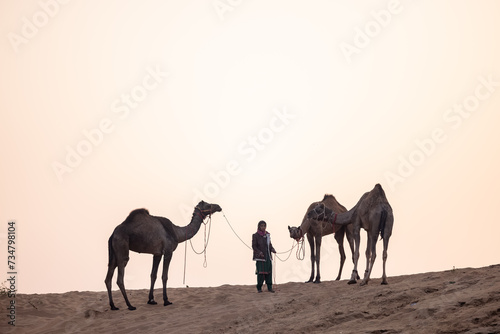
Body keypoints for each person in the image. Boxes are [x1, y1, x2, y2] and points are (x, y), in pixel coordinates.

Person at [252, 220, 276, 293]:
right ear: (259, 227)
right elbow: (254, 246)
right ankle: (259, 288)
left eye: (264, 226)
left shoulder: (268, 235)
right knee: (261, 273)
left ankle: (270, 287)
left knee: (269, 272)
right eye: (261, 226)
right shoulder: (255, 235)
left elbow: (269, 245)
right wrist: (259, 252)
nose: (263, 227)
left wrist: (272, 249)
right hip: (260, 258)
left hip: (268, 256)